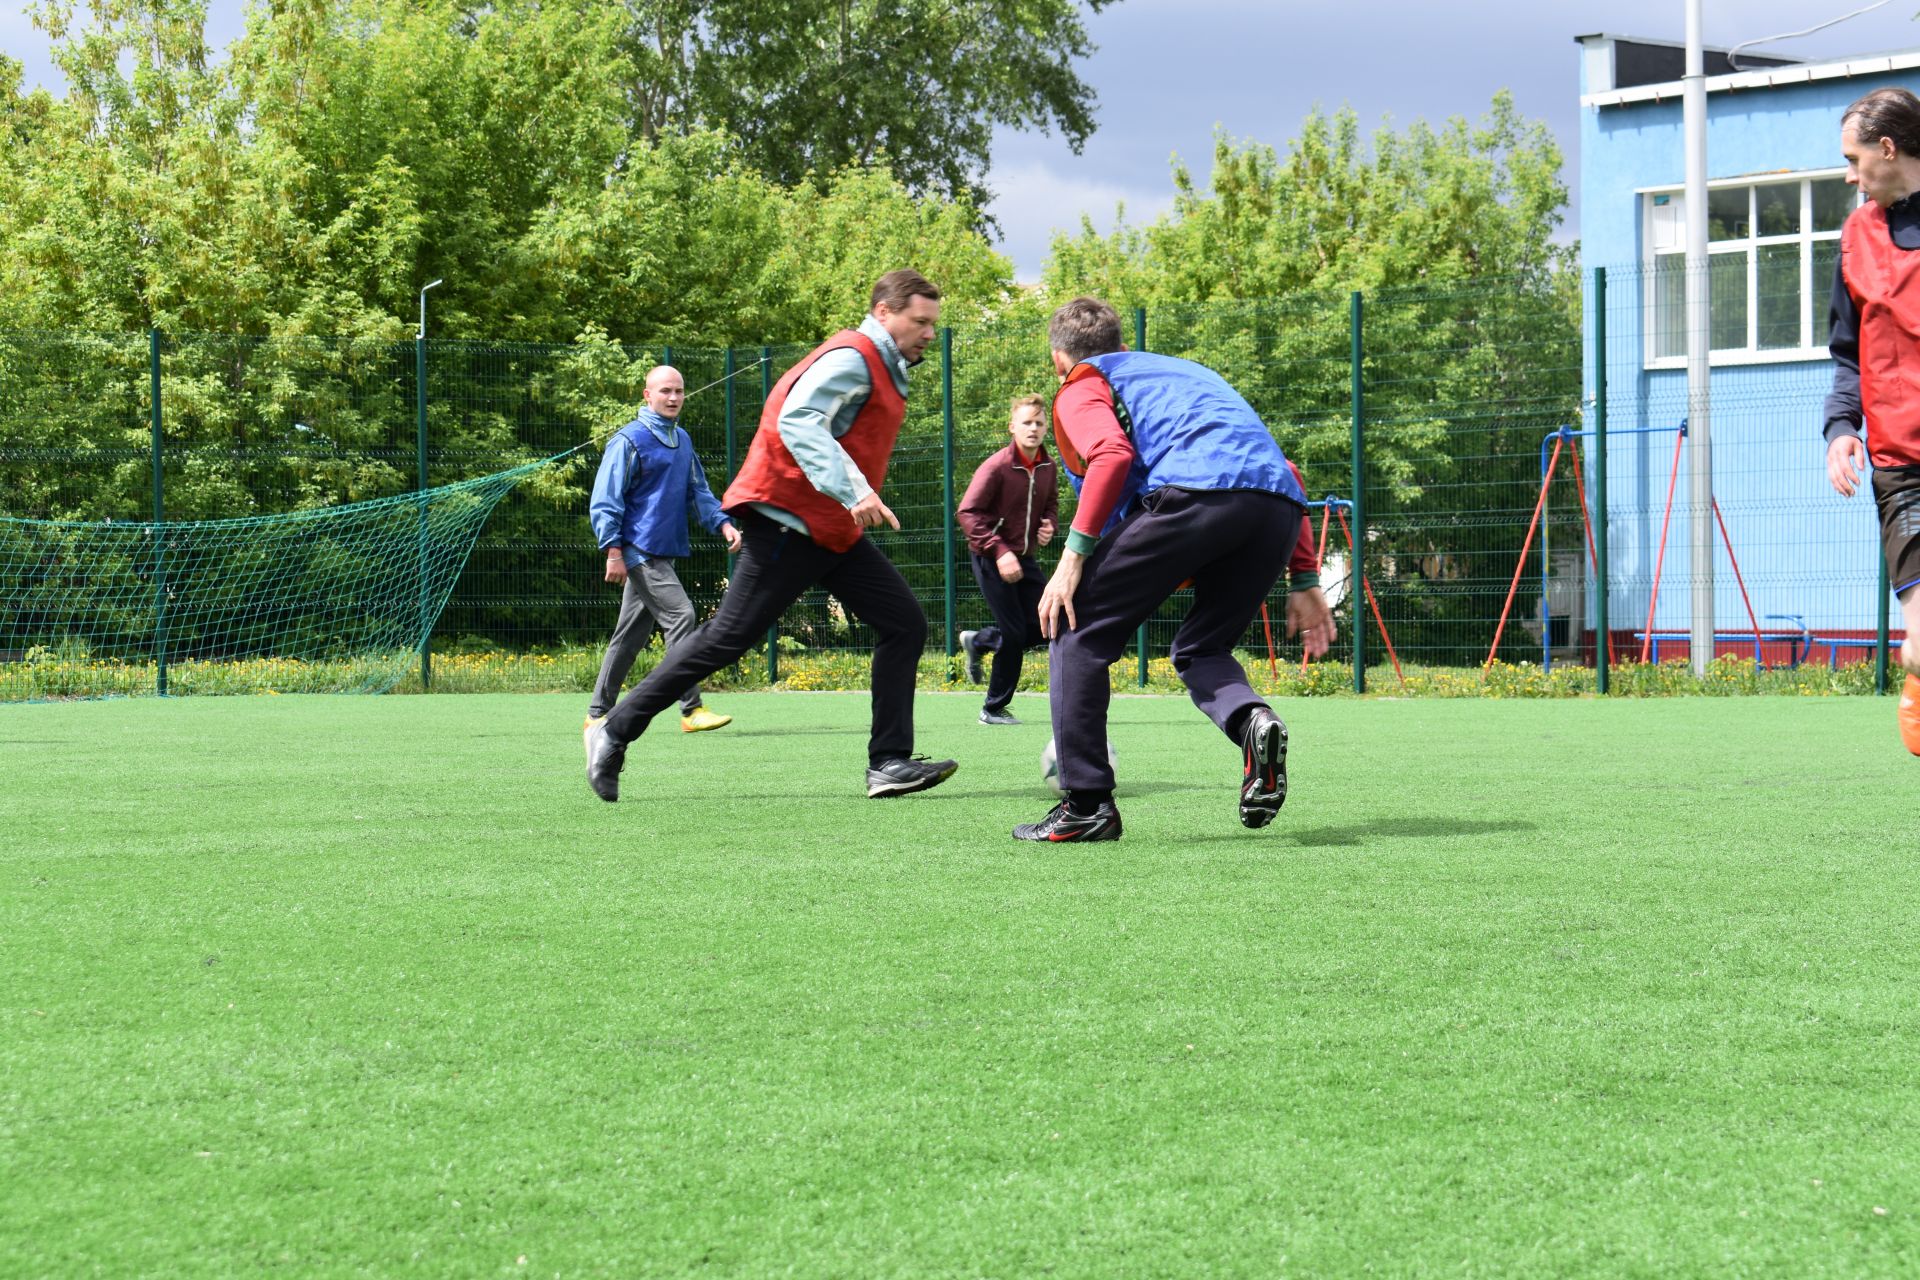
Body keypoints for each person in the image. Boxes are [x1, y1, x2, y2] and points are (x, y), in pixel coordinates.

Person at [583, 269, 959, 802]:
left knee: (904, 625)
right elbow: (799, 420)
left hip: (829, 529)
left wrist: (846, 502)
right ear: (883, 313)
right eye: (919, 322)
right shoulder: (853, 357)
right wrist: (854, 491)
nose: (928, 333)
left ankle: (889, 763)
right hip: (787, 519)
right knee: (725, 639)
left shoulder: (881, 364)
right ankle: (613, 729)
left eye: (932, 323)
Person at [1015, 296, 1335, 843]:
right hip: (1275, 510)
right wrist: (1304, 578)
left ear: (1058, 359)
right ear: (1124, 345)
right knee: (1202, 649)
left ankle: (1087, 804)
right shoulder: (1185, 374)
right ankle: (1252, 721)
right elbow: (1285, 471)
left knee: (1075, 628)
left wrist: (1071, 561)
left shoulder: (1082, 382)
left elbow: (1110, 456)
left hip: (1193, 497)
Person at [1825, 86, 1920, 755]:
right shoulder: (1856, 235)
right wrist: (1840, 428)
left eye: (1855, 159)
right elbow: (1846, 349)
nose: (1851, 175)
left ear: (1889, 149)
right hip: (1900, 467)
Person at [586, 365, 741, 737]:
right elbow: (606, 500)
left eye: (679, 391)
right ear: (647, 395)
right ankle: (691, 708)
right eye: (665, 391)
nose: (673, 398)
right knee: (681, 615)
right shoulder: (629, 440)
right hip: (639, 550)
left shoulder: (682, 440)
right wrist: (613, 551)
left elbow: (698, 491)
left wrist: (723, 523)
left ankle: (596, 714)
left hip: (662, 550)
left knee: (629, 638)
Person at [956, 394, 1059, 724]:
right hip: (990, 557)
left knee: (1049, 622)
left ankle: (982, 640)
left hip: (1025, 558)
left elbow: (1050, 507)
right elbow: (968, 513)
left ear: (1046, 428)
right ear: (1012, 427)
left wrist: (1049, 526)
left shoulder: (1047, 466)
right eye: (1026, 422)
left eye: (1039, 423)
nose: (1033, 428)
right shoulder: (997, 466)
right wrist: (999, 551)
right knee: (1014, 634)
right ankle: (992, 708)